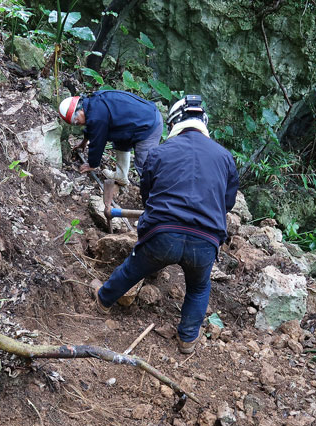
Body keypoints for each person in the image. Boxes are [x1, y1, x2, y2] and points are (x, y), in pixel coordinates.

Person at [90, 95, 239, 354]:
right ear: (204, 123)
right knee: (199, 286)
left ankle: (104, 300)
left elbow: (147, 196)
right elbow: (227, 203)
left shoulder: (159, 152)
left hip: (162, 234)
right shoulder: (225, 158)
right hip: (205, 241)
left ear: (173, 124)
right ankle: (188, 338)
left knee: (134, 267)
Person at [58, 90, 162, 186]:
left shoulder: (96, 116)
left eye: (76, 121)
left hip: (149, 124)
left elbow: (98, 142)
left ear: (80, 109)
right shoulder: (93, 103)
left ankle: (156, 196)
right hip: (138, 119)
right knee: (120, 141)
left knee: (145, 165)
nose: (78, 124)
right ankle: (121, 176)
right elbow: (91, 126)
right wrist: (84, 142)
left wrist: (93, 164)